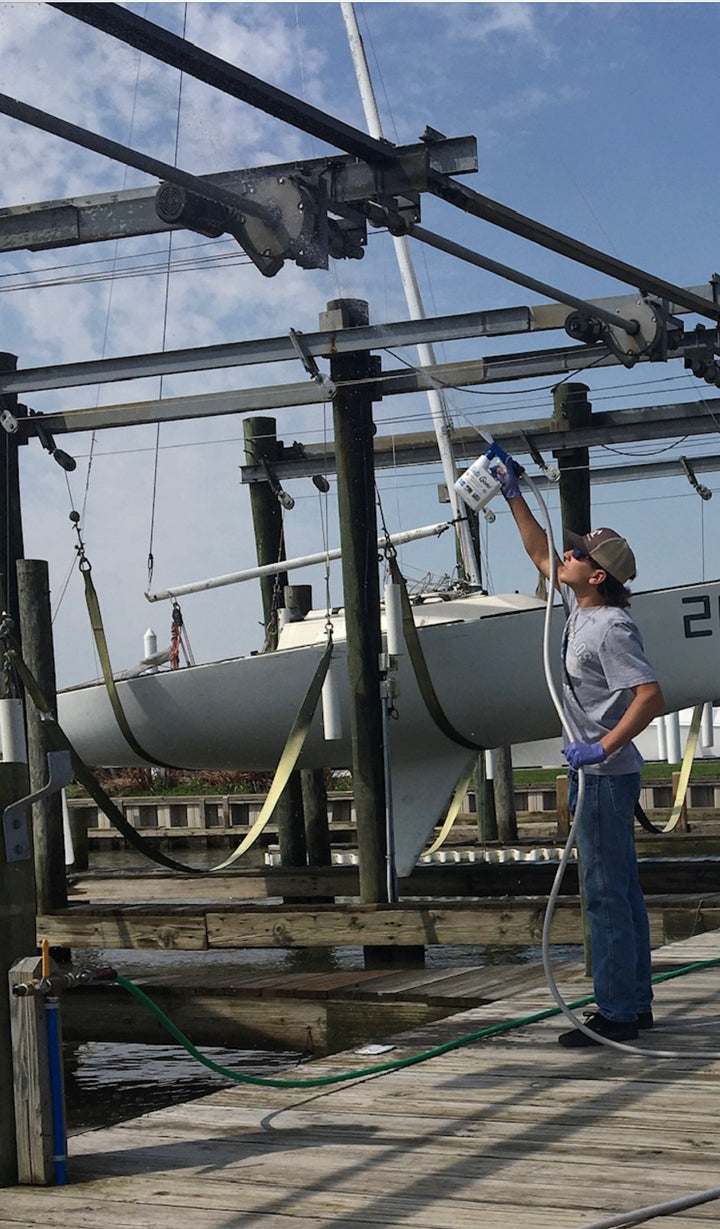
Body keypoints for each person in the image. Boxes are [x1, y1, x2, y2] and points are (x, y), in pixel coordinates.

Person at [493, 456, 665, 1047]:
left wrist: (600, 748)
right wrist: (512, 494)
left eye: (580, 554)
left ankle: (616, 1013)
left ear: (597, 576)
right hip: (600, 775)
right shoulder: (578, 608)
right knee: (621, 889)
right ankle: (634, 1003)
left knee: (604, 893)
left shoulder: (611, 626)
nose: (567, 555)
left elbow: (650, 696)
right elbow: (540, 553)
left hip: (605, 776)